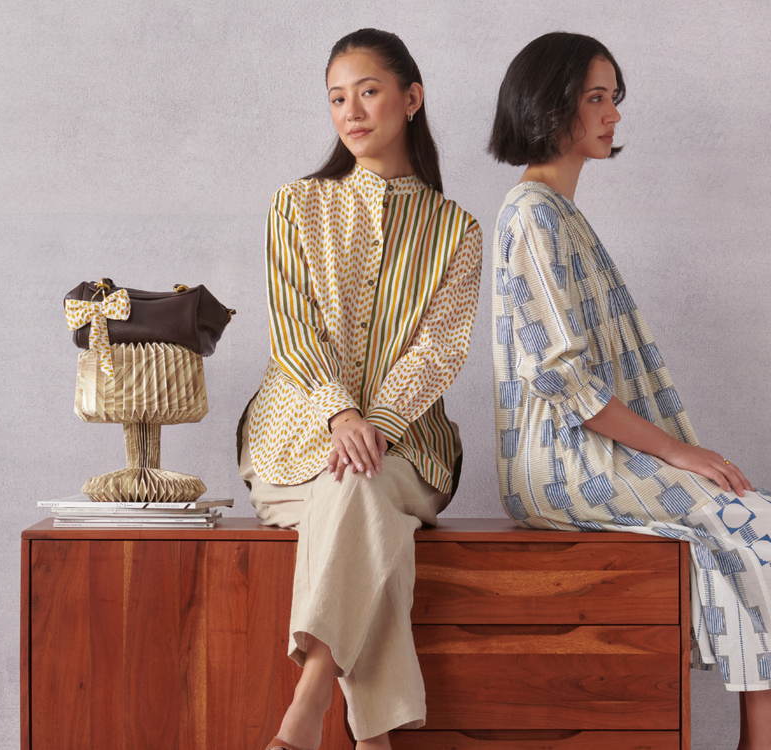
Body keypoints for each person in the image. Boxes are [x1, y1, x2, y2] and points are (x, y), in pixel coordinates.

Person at [486, 32, 771, 750]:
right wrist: (678, 452)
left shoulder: (558, 213)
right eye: (596, 98)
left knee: (766, 526)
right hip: (559, 465)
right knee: (768, 528)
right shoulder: (531, 214)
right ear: (550, 104)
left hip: (585, 453)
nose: (613, 114)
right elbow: (560, 377)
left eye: (614, 98)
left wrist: (678, 454)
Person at [239, 27, 481, 750]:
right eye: (337, 98)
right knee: (368, 513)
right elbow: (294, 331)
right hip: (293, 444)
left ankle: (310, 696)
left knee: (359, 486)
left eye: (368, 92)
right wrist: (342, 416)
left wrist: (375, 424)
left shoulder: (456, 230)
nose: (351, 111)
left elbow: (440, 350)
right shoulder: (296, 205)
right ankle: (368, 737)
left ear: (411, 98)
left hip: (411, 450)